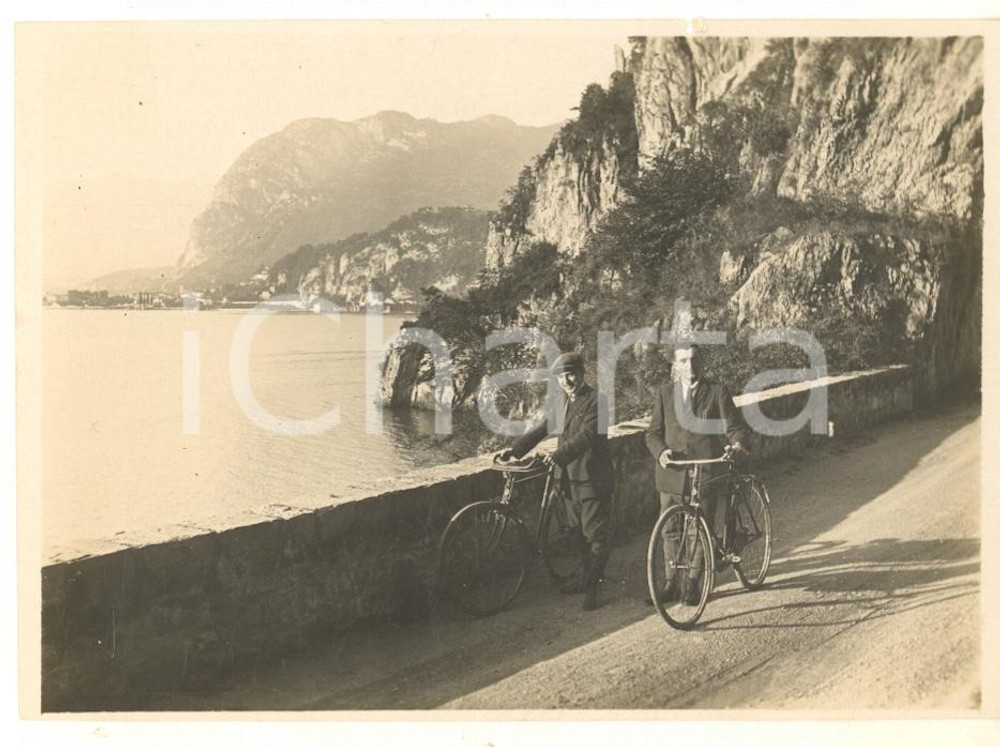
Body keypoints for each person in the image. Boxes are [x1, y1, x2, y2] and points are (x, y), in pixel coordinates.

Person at [499, 352, 614, 612]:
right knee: (576, 533)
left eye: (571, 374)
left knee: (595, 534)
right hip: (568, 479)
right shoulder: (562, 401)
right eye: (562, 377)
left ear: (583, 373)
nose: (567, 381)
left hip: (592, 479)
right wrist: (515, 451)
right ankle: (586, 576)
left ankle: (594, 587)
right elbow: (542, 428)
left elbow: (587, 437)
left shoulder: (598, 401)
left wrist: (558, 455)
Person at [644, 343, 748, 606]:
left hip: (705, 470)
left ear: (700, 362)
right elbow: (653, 433)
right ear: (676, 366)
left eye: (693, 360)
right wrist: (661, 453)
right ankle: (670, 581)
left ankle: (691, 582)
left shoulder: (716, 392)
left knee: (698, 529)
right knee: (670, 530)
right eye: (683, 361)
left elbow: (734, 428)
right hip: (672, 474)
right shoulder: (665, 394)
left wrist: (735, 445)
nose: (689, 366)